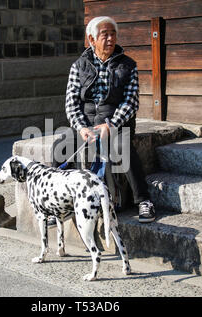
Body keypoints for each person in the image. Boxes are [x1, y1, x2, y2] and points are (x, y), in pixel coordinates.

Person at [50, 16, 156, 225]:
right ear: (91, 38)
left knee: (122, 145)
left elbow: (131, 102)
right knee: (60, 144)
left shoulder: (128, 65)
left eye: (113, 33)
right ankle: (60, 203)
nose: (110, 38)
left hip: (116, 122)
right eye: (104, 34)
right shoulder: (78, 66)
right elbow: (71, 103)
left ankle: (144, 200)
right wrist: (81, 128)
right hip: (86, 124)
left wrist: (111, 124)